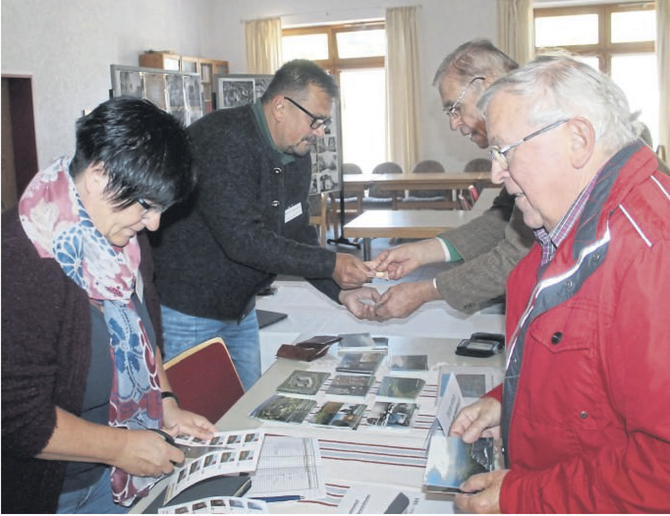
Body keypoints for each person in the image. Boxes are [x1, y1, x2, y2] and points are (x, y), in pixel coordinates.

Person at [449, 55, 670, 513]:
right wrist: (507, 403)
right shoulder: (574, 225)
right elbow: (585, 371)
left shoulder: (652, 252)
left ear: (577, 140)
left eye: (506, 151)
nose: (496, 174)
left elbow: (661, 471)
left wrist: (520, 496)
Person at [1, 97, 218, 514]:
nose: (153, 224)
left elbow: (146, 334)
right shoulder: (20, 261)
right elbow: (16, 419)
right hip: (50, 493)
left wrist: (167, 405)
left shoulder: (124, 241)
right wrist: (121, 448)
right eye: (146, 206)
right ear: (100, 176)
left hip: (112, 478)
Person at [150, 59, 378, 391]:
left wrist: (340, 291)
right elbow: (242, 239)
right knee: (199, 419)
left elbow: (296, 230)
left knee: (244, 408)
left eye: (324, 122)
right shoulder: (223, 140)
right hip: (190, 313)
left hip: (239, 309)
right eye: (315, 120)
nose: (320, 132)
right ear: (281, 107)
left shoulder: (296, 153)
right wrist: (332, 263)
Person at [368, 39, 535, 319]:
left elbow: (517, 254)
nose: (453, 123)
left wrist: (426, 290)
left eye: (455, 108)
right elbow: (504, 219)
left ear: (487, 84)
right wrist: (422, 252)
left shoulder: (537, 142)